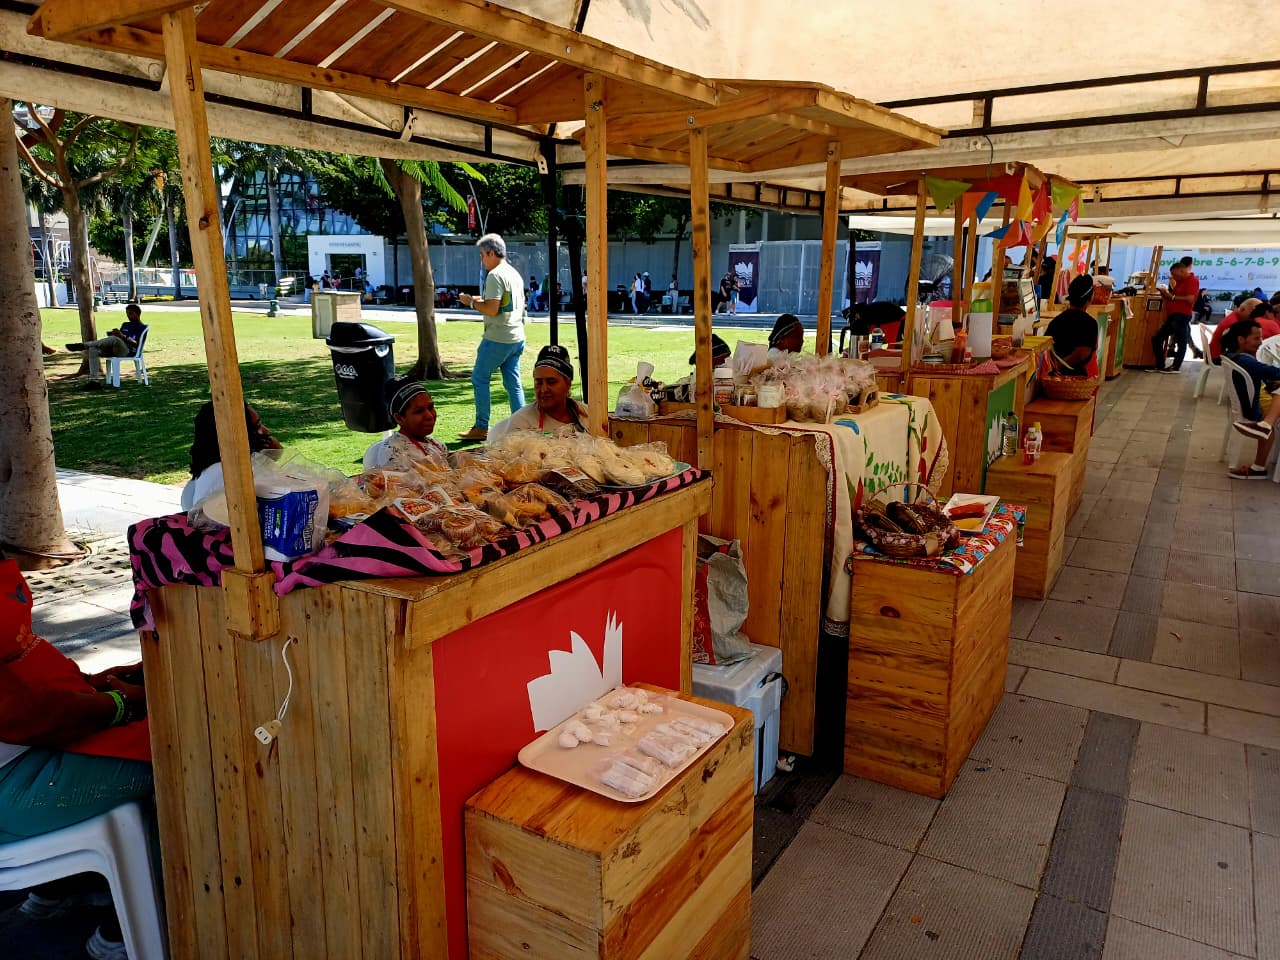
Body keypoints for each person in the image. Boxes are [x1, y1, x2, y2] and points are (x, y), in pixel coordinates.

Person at [0, 546, 151, 960]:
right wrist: (121, 705)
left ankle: (64, 885)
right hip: (16, 788)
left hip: (25, 755)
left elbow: (18, 663)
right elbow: (22, 714)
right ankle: (130, 929)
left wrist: (91, 685)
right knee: (184, 755)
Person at [457, 233, 527, 442]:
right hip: (516, 336)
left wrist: (470, 302)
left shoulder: (494, 275)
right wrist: (480, 300)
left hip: (498, 337)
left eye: (482, 255)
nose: (481, 260)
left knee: (479, 378)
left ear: (491, 253)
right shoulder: (513, 273)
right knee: (513, 383)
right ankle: (522, 425)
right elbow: (504, 302)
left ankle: (481, 426)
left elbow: (492, 309)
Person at [180, 401, 282, 511]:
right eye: (257, 427)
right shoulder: (235, 472)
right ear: (237, 434)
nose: (266, 430)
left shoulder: (208, 469)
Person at [488, 344, 588, 442]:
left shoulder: (588, 415)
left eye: (551, 382)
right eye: (539, 382)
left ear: (568, 383)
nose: (543, 389)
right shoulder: (522, 424)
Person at [1223, 318, 1280, 478]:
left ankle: (1259, 466)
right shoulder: (1244, 360)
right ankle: (1266, 425)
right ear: (1241, 339)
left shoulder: (1234, 356)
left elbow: (1268, 377)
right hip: (1256, 409)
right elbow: (1272, 371)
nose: (1261, 342)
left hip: (1258, 404)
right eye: (1256, 338)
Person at [363, 375, 449, 471]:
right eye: (419, 411)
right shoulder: (393, 451)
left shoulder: (438, 445)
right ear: (399, 418)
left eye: (430, 407)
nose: (429, 416)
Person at [1045, 274, 1100, 377]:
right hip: (1081, 379)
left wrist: (1055, 366)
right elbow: (1082, 354)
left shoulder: (1056, 321)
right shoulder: (1090, 323)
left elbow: (1046, 348)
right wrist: (1060, 365)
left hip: (1056, 378)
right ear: (1090, 298)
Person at [1152, 256, 1199, 371]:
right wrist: (1166, 294)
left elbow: (1190, 299)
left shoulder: (1192, 280)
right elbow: (1174, 296)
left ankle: (1175, 366)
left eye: (1175, 274)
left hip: (1181, 315)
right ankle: (1160, 364)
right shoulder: (1180, 282)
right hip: (1174, 315)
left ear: (1182, 271)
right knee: (1157, 338)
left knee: (1181, 341)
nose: (1174, 277)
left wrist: (1171, 297)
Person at [65, 302, 145, 362]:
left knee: (114, 339)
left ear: (138, 314)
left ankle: (84, 345)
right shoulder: (125, 324)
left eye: (131, 314)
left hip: (128, 351)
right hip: (115, 348)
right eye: (127, 314)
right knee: (93, 350)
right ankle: (94, 378)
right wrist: (115, 334)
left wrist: (122, 336)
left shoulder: (142, 327)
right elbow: (119, 338)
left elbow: (137, 344)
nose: (128, 316)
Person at [1209, 298, 1279, 362]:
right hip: (1221, 359)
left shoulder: (1236, 317)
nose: (1254, 316)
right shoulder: (1233, 323)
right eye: (1253, 313)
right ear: (1242, 309)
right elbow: (1237, 349)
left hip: (1221, 356)